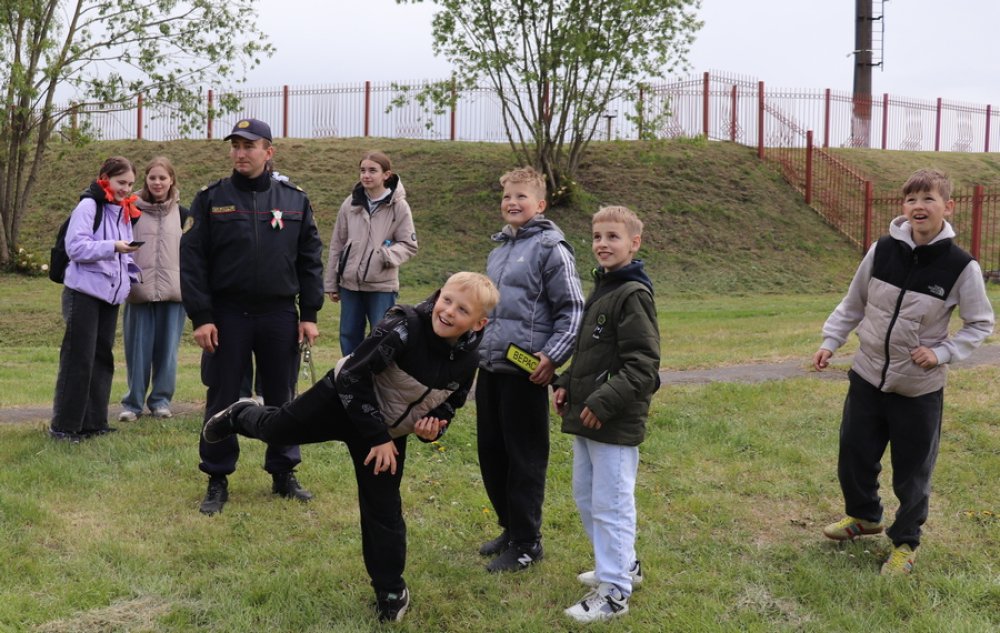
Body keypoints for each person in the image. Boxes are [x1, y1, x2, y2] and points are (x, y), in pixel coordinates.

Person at [200, 272, 500, 623]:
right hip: (340, 402)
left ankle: (390, 589)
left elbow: (451, 404)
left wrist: (432, 428)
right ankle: (239, 413)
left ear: (478, 323)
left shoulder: (469, 360)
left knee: (383, 508)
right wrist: (378, 437)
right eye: (446, 300)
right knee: (277, 430)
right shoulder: (403, 326)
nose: (448, 311)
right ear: (437, 295)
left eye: (462, 310)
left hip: (385, 435)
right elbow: (352, 376)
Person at [813, 168, 994, 575]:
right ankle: (864, 517)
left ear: (948, 207)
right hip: (867, 376)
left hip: (917, 389)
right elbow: (854, 302)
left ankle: (906, 542)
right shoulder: (881, 251)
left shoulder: (961, 267)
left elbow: (980, 323)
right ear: (903, 207)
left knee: (912, 473)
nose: (919, 206)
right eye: (912, 199)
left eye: (928, 198)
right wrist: (830, 341)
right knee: (854, 454)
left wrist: (943, 352)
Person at [180, 118, 325, 515]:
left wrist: (309, 314)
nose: (240, 153)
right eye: (236, 146)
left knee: (282, 396)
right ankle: (217, 476)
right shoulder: (211, 198)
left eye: (249, 146)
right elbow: (192, 262)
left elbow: (310, 259)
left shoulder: (294, 199)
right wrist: (202, 317)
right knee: (223, 395)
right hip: (228, 314)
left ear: (268, 151)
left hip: (279, 313)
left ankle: (283, 471)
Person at [553, 206, 659, 622]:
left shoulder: (633, 294)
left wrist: (601, 402)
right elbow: (592, 354)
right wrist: (566, 382)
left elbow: (643, 366)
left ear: (634, 243)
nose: (602, 244)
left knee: (611, 504)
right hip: (588, 417)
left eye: (613, 237)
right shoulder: (604, 287)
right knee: (587, 496)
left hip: (612, 421)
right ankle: (624, 565)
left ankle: (614, 592)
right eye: (597, 236)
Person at [476, 166, 585, 572]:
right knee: (492, 453)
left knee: (524, 458)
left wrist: (552, 357)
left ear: (540, 204)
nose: (512, 202)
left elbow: (573, 310)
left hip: (525, 372)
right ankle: (510, 528)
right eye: (507, 196)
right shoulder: (498, 250)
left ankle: (527, 543)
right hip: (491, 367)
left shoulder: (551, 249)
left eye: (521, 196)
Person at [50, 156, 142, 442]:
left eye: (130, 184)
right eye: (121, 182)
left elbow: (122, 253)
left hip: (110, 296)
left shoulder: (124, 210)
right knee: (78, 358)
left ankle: (94, 423)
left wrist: (131, 273)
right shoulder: (88, 206)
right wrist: (113, 246)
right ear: (105, 178)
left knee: (102, 358)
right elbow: (76, 247)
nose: (126, 189)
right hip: (83, 293)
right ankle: (64, 427)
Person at [325, 151, 418, 355]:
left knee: (381, 336)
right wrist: (332, 283)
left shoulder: (399, 207)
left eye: (372, 171)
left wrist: (385, 255)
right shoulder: (350, 203)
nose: (366, 175)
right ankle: (349, 373)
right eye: (363, 170)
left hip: (381, 286)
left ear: (386, 175)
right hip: (350, 285)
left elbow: (409, 245)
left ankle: (378, 374)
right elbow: (337, 244)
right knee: (348, 335)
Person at [119, 157, 188, 421]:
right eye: (152, 178)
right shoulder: (130, 210)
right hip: (140, 291)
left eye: (162, 178)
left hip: (173, 293)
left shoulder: (183, 214)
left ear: (172, 180)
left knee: (167, 352)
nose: (157, 183)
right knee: (137, 352)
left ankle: (161, 401)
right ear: (145, 180)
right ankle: (133, 404)